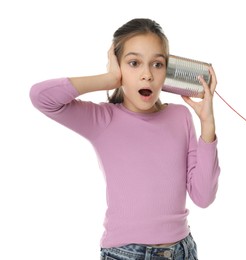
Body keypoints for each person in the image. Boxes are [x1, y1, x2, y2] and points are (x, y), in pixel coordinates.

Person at [30, 18, 220, 260]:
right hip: (127, 254)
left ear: (167, 72)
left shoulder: (180, 116)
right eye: (134, 63)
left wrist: (207, 125)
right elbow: (41, 97)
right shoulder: (103, 119)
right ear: (118, 67)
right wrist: (109, 79)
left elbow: (203, 197)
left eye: (157, 64)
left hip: (183, 250)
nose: (147, 75)